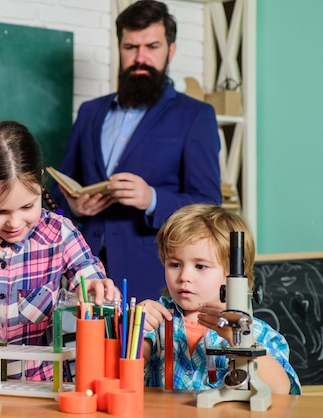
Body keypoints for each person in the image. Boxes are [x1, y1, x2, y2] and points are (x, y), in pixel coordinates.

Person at [0, 120, 120, 380]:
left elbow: (88, 275)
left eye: (27, 206)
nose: (14, 223)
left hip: (39, 389)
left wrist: (93, 289)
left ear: (40, 184)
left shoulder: (59, 234)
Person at [52, 0, 222, 302]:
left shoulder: (195, 115)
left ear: (170, 51)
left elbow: (210, 206)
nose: (140, 57)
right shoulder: (90, 112)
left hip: (151, 275)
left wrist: (152, 199)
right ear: (119, 48)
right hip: (83, 273)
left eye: (152, 46)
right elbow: (58, 186)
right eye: (131, 47)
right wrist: (76, 205)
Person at [140, 204, 301, 394]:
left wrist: (241, 342)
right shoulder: (156, 319)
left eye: (200, 266)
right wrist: (135, 328)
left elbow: (281, 391)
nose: (184, 276)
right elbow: (126, 368)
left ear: (235, 273)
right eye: (175, 264)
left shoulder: (258, 332)